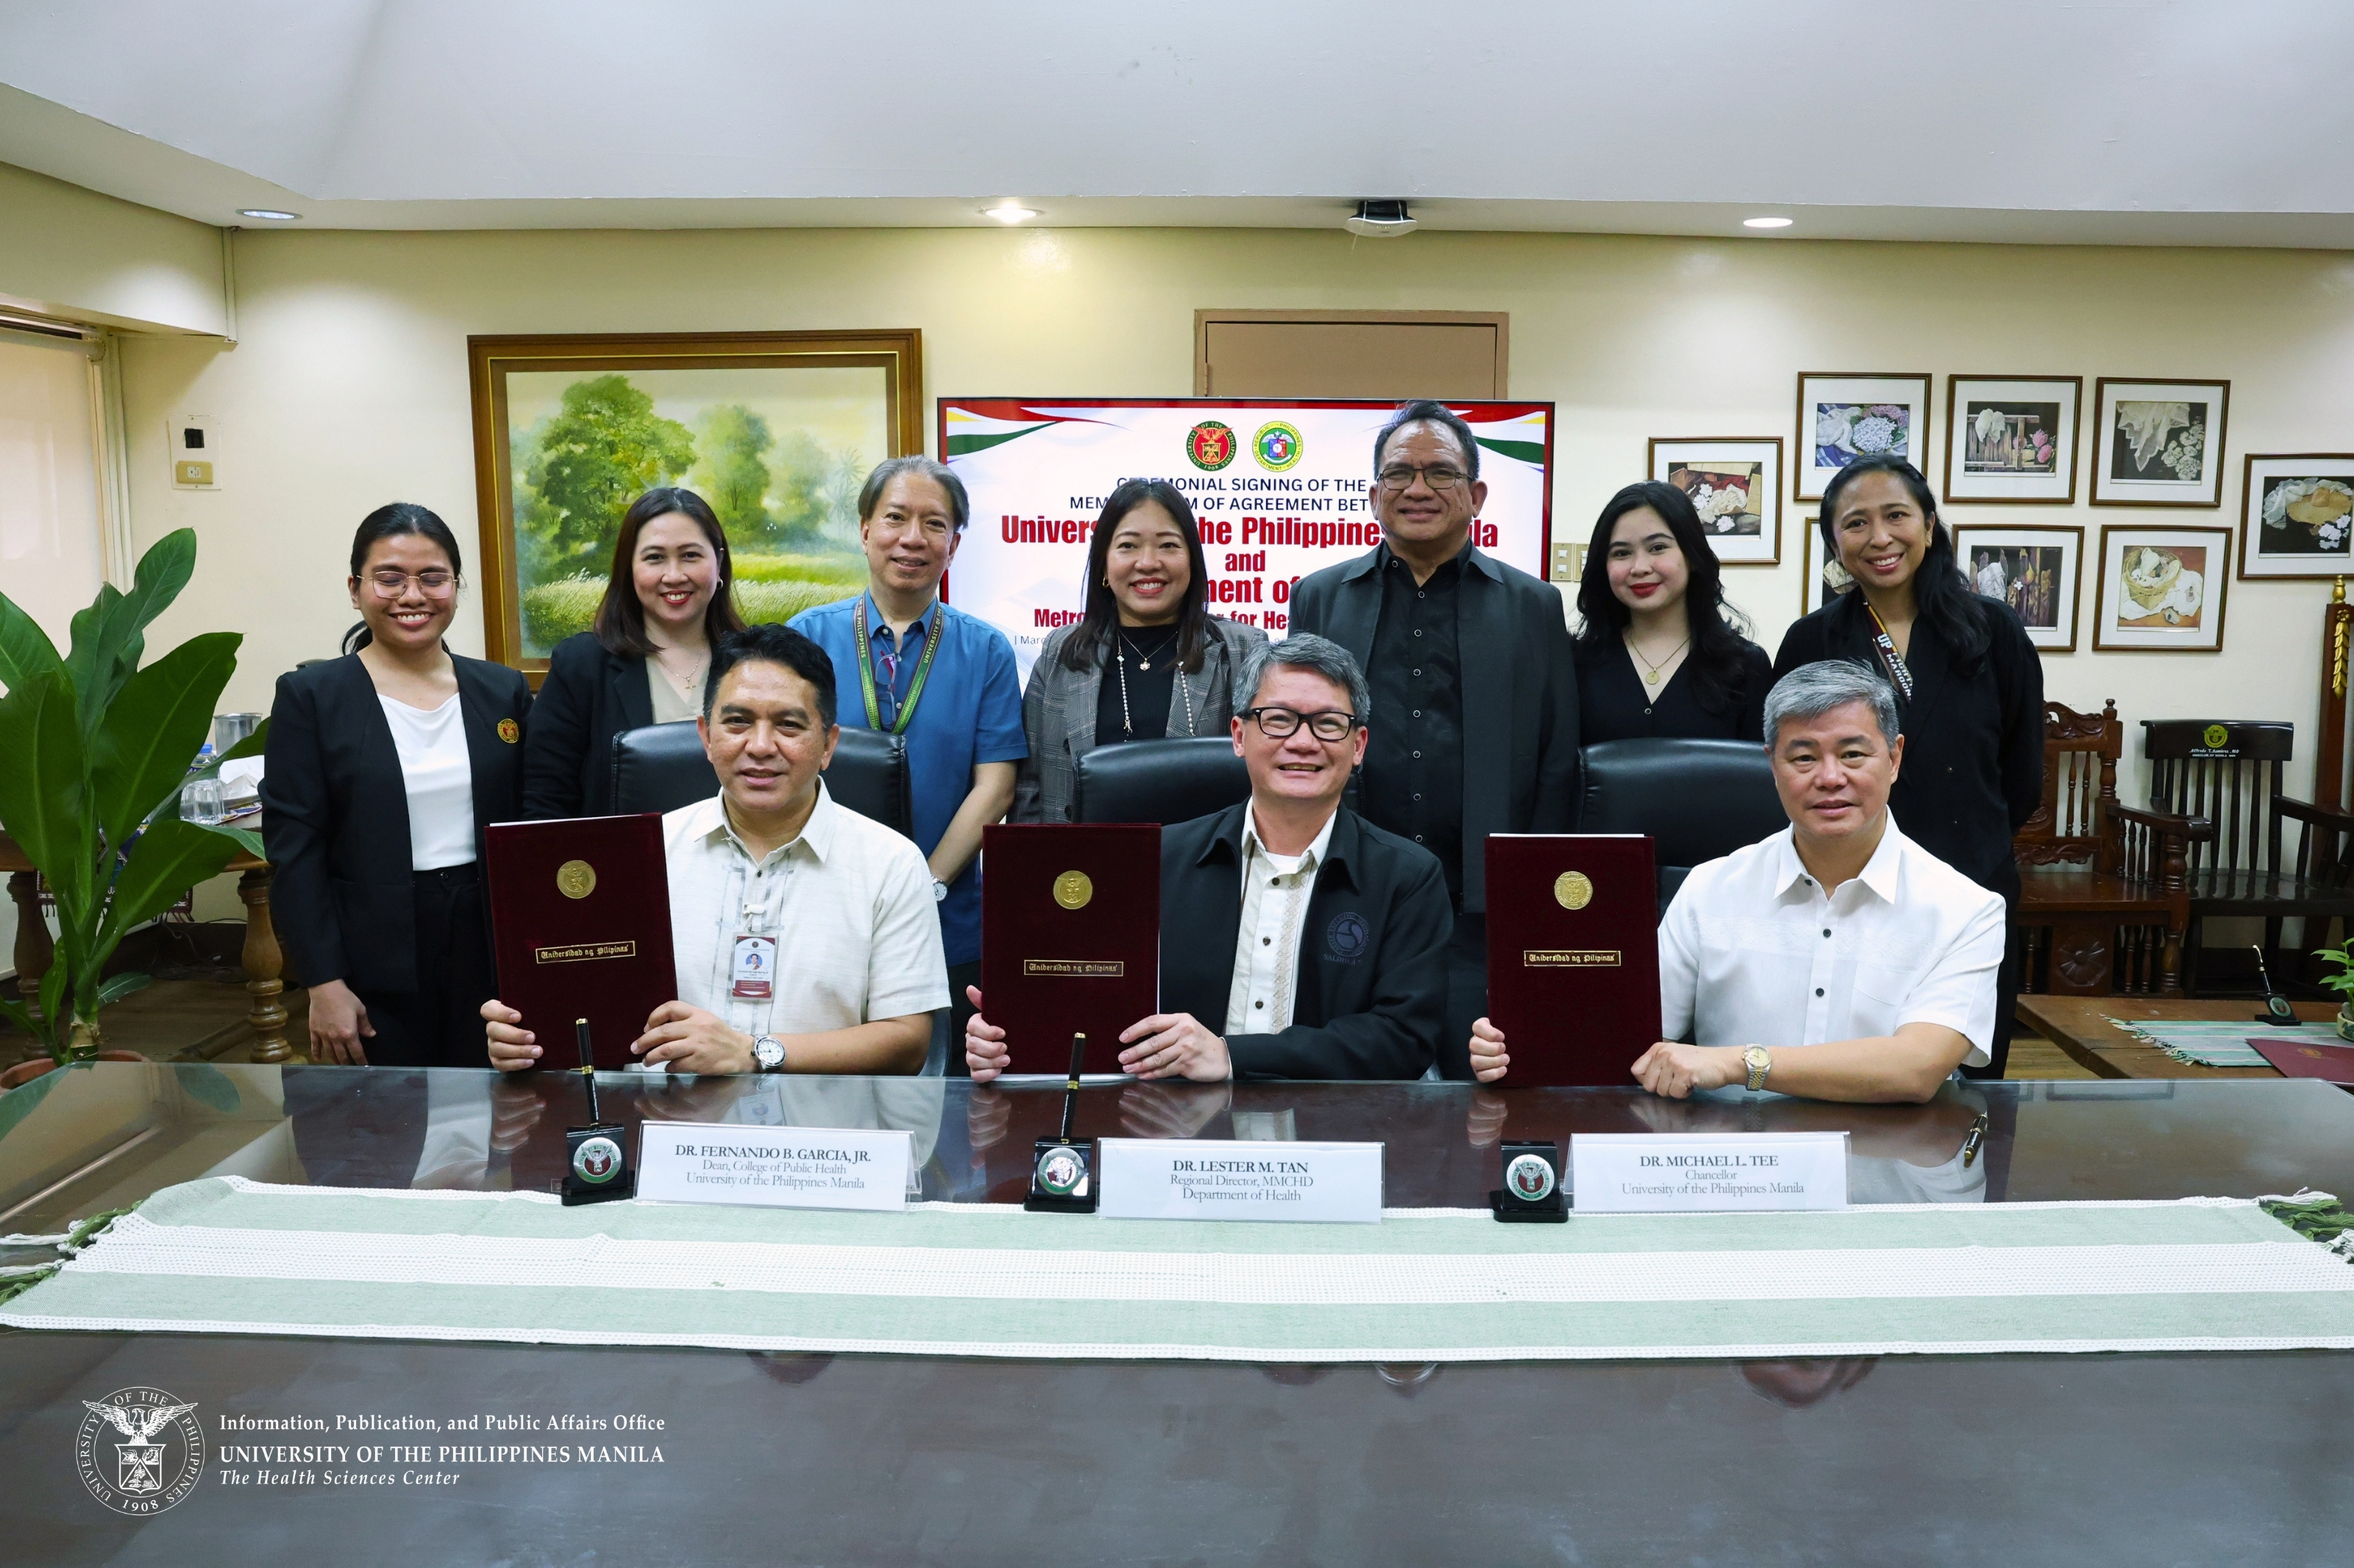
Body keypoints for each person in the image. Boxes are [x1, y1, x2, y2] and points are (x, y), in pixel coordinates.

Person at [1469, 661, 2006, 1103]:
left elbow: (1914, 1069)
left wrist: (1738, 1064)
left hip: (1895, 1167)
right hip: (1731, 1164)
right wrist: (1522, 1045)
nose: (1829, 777)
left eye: (1852, 754)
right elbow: (1625, 1034)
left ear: (1894, 758)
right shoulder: (1710, 889)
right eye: (1803, 757)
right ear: (1772, 766)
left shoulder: (1965, 909)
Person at [965, 635, 1453, 1083]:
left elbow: (1403, 1040)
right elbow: (1092, 1007)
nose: (1303, 742)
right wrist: (1012, 1039)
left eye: (1328, 724)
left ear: (1358, 746)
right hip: (1171, 1129)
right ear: (1239, 735)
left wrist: (1231, 1055)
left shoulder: (1407, 877)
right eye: (1279, 720)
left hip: (1337, 1137)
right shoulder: (1156, 863)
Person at [484, 623, 945, 1075]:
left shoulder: (892, 863)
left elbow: (907, 1042)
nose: (761, 746)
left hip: (826, 1140)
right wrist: (530, 1040)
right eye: (738, 722)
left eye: (789, 725)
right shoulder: (641, 857)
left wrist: (752, 1053)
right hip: (669, 1128)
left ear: (828, 745)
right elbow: (589, 1014)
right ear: (706, 737)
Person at [1287, 399, 1579, 1077]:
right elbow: (1295, 748)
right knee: (1346, 1077)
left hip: (1481, 904)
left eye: (1440, 473)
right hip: (1349, 890)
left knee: (1477, 1084)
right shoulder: (1321, 598)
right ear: (1373, 494)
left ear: (1476, 494)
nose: (1418, 489)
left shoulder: (1531, 605)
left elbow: (1556, 759)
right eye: (1399, 474)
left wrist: (1532, 896)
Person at [1771, 455, 2041, 1076]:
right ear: (1834, 542)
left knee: (1968, 1076)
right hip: (1849, 887)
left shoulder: (1994, 631)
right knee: (1848, 1062)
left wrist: (1974, 835)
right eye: (1857, 523)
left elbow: (2021, 772)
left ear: (1929, 524)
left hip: (1967, 876)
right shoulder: (1811, 640)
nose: (1880, 538)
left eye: (1896, 516)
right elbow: (1794, 763)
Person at [263, 503, 532, 1067]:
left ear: (457, 586)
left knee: (492, 1117)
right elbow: (296, 851)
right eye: (390, 578)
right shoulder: (312, 697)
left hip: (489, 944)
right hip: (369, 953)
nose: (413, 596)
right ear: (356, 588)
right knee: (385, 1125)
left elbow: (532, 827)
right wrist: (322, 982)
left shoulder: (501, 690)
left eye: (433, 578)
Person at [790, 457, 1024, 1045]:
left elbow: (995, 786)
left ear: (955, 544)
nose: (913, 538)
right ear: (866, 529)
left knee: (944, 1107)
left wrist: (925, 886)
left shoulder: (987, 650)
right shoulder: (805, 639)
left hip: (947, 920)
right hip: (821, 911)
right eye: (896, 517)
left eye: (935, 524)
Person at [1011, 478, 1267, 824]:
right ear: (1103, 562)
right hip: (1082, 870)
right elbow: (1030, 791)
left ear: (1192, 560)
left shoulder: (1242, 650)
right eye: (1128, 546)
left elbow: (1269, 778)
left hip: (1202, 866)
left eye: (1168, 546)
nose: (1148, 563)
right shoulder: (1062, 652)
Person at [522, 485, 747, 819]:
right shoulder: (581, 666)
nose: (674, 576)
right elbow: (545, 799)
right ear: (629, 569)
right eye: (654, 558)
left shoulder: (755, 663)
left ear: (719, 563)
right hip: (621, 865)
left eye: (691, 555)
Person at [1573, 480, 1773, 743]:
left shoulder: (1747, 665)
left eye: (1658, 548)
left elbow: (1759, 774)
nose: (1640, 567)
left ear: (1691, 556)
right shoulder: (1575, 664)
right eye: (1621, 553)